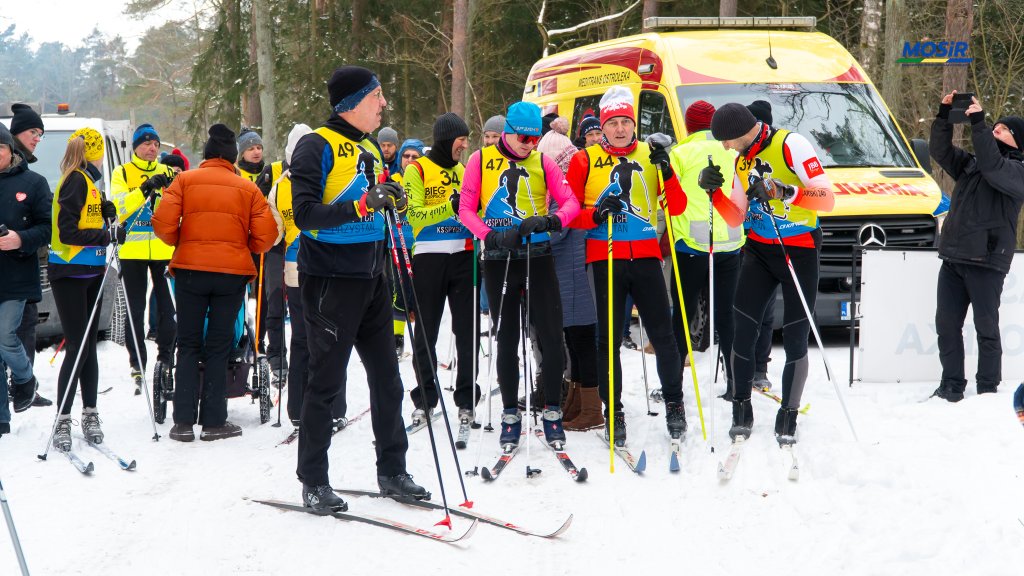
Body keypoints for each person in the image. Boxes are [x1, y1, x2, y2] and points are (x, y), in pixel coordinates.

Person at [290, 65, 429, 511]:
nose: (384, 104)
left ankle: (393, 471)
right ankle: (313, 480)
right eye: (377, 97)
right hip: (331, 279)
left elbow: (375, 202)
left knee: (387, 381)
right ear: (352, 103)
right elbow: (305, 214)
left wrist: (391, 196)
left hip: (372, 276)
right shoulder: (316, 144)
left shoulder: (369, 146)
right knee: (326, 384)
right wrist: (365, 201)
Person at [565, 86, 687, 444]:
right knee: (609, 340)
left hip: (646, 257)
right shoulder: (584, 159)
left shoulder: (652, 154)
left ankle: (674, 405)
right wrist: (596, 213)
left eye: (625, 122)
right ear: (603, 127)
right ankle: (613, 410)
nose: (620, 129)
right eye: (613, 123)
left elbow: (676, 207)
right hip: (605, 258)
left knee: (663, 336)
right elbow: (569, 214)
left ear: (634, 124)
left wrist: (667, 171)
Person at [706, 102, 834, 445]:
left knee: (794, 335)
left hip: (799, 247)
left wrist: (783, 191)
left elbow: (827, 199)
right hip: (761, 250)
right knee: (742, 329)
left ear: (739, 132)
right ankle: (741, 408)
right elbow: (735, 217)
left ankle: (788, 414)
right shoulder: (741, 159)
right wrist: (714, 193)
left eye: (726, 140)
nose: (725, 147)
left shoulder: (792, 144)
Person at [459, 101, 580, 450]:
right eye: (523, 138)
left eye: (534, 138)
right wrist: (489, 235)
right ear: (508, 131)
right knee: (507, 337)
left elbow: (569, 202)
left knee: (551, 335)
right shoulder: (480, 161)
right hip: (500, 258)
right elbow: (466, 208)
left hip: (538, 255)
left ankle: (552, 411)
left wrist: (551, 221)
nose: (529, 144)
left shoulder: (542, 162)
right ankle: (510, 414)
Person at [153, 123, 277, 442]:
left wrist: (183, 241)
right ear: (232, 157)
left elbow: (163, 225)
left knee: (189, 343)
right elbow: (266, 237)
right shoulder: (247, 189)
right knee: (220, 346)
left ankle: (182, 423)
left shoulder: (184, 180)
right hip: (231, 275)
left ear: (206, 155)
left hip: (190, 272)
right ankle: (214, 422)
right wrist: (241, 244)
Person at [929, 92, 1024, 402]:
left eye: (1002, 129)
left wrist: (981, 124)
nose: (995, 130)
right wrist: (944, 115)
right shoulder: (972, 164)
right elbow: (940, 151)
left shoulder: (1017, 172)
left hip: (987, 260)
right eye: (993, 127)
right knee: (946, 325)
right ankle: (951, 385)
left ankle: (987, 389)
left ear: (1018, 141)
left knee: (986, 327)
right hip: (954, 258)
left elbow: (994, 167)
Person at [268, 124, 349, 431]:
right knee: (332, 339)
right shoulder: (328, 176)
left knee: (302, 339)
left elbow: (273, 234)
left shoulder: (280, 186)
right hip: (329, 267)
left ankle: (298, 409)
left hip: (295, 269)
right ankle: (333, 408)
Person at [48, 128, 125, 450]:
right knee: (78, 346)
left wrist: (109, 217)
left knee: (88, 346)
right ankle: (63, 418)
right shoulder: (76, 180)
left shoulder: (89, 182)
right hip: (70, 272)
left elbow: (88, 221)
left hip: (89, 272)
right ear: (93, 151)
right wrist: (105, 238)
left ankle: (90, 411)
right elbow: (67, 232)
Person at [404, 113, 480, 427]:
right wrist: (447, 207)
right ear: (448, 139)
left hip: (464, 255)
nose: (464, 145)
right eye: (461, 139)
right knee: (426, 333)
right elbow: (415, 217)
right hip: (429, 256)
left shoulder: (464, 170)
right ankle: (425, 399)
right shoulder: (417, 169)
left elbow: (472, 211)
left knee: (468, 332)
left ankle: (466, 399)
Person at [667, 100, 745, 395]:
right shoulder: (733, 151)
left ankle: (673, 384)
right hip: (730, 245)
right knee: (727, 315)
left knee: (683, 315)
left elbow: (668, 195)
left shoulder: (681, 153)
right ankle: (736, 383)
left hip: (692, 245)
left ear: (688, 125)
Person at [537, 124, 601, 430]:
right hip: (570, 274)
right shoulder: (562, 188)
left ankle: (592, 408)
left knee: (583, 342)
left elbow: (557, 232)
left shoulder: (563, 190)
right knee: (575, 342)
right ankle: (577, 400)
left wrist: (532, 230)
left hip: (576, 276)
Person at [111, 123, 177, 395]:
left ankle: (166, 359)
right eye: (146, 144)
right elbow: (118, 207)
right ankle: (137, 363)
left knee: (166, 309)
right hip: (133, 252)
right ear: (136, 147)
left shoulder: (168, 171)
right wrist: (145, 188)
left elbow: (180, 205)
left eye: (156, 144)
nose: (152, 148)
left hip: (163, 250)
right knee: (135, 311)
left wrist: (166, 187)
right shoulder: (123, 171)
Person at [0, 124, 50, 435]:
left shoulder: (33, 182)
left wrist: (20, 238)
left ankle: (24, 378)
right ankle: (1, 419)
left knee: (5, 336)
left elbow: (47, 228)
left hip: (16, 277)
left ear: (11, 151)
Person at [746, 100, 776, 392]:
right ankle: (740, 365)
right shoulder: (740, 156)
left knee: (767, 313)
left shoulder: (776, 153)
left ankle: (760, 367)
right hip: (746, 243)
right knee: (747, 311)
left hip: (773, 240)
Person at [389, 138, 425, 358]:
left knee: (421, 293)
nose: (410, 160)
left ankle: (422, 338)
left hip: (420, 242)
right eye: (406, 156)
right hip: (397, 240)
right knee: (400, 292)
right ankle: (397, 338)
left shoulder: (424, 178)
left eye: (415, 156)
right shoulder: (392, 180)